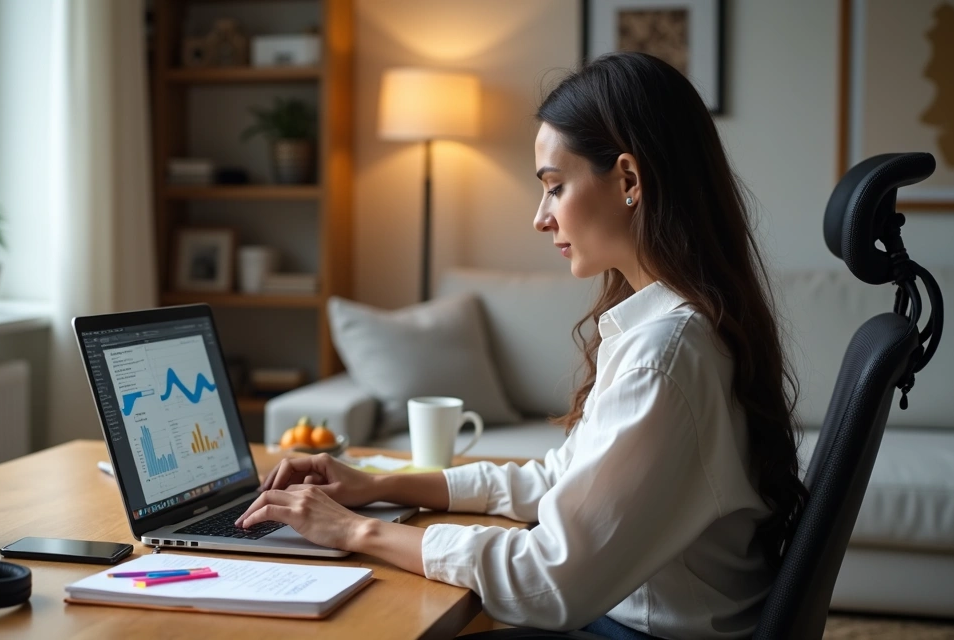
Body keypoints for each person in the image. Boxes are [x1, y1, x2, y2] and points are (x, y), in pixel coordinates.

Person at [235, 51, 807, 640]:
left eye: (555, 188)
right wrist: (380, 485)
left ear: (629, 181)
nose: (540, 217)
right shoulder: (668, 328)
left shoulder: (665, 354)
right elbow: (560, 476)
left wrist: (357, 531)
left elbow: (548, 582)